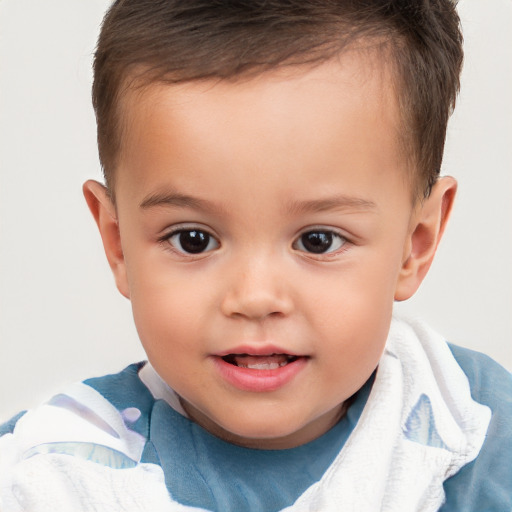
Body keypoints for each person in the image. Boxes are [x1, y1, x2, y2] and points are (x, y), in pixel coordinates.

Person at [0, 1, 510, 510]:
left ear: (414, 244)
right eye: (192, 239)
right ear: (117, 242)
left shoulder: (471, 425)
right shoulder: (52, 477)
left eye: (318, 240)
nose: (255, 297)